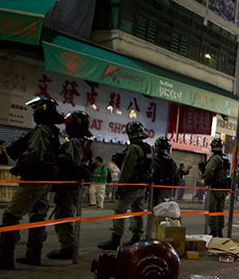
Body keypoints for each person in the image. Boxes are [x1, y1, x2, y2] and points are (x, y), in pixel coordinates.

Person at [0, 96, 63, 269]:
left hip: (34, 179)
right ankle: (33, 255)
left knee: (11, 214)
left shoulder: (42, 129)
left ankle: (5, 258)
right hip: (44, 179)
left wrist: (20, 165)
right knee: (37, 216)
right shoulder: (53, 131)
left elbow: (35, 153)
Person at [97, 121, 152, 250]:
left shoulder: (134, 148)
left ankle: (115, 239)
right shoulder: (147, 147)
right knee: (137, 211)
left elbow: (128, 167)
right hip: (142, 185)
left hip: (131, 185)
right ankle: (136, 237)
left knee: (119, 211)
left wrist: (121, 185)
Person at [48, 111, 92, 260]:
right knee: (64, 214)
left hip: (68, 185)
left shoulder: (75, 142)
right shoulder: (82, 141)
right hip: (71, 185)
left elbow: (71, 164)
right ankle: (67, 246)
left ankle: (67, 248)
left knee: (63, 216)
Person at [203, 139, 229, 237]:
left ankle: (214, 230)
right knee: (219, 210)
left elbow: (209, 171)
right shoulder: (224, 158)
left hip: (214, 188)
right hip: (222, 188)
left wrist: (207, 181)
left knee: (211, 209)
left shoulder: (215, 158)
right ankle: (219, 229)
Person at [152, 136, 179, 204]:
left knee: (155, 207)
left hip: (156, 188)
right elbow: (176, 176)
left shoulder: (154, 159)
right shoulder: (171, 161)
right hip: (167, 188)